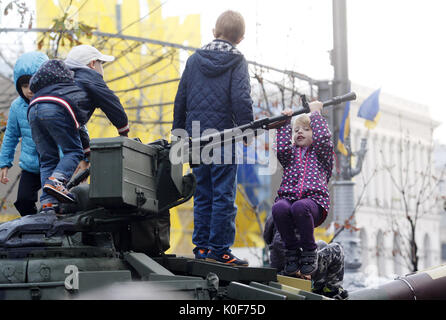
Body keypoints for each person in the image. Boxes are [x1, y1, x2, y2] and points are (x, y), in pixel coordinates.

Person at [172, 10, 253, 266]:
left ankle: (203, 248)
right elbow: (241, 98)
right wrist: (247, 129)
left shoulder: (194, 60)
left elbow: (181, 99)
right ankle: (220, 249)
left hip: (196, 138)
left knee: (203, 193)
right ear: (240, 38)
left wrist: (178, 135)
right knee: (223, 195)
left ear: (213, 31)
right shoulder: (237, 61)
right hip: (223, 138)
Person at [28, 45, 129, 214]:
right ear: (92, 64)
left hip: (34, 109)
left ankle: (47, 203)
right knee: (73, 152)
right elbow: (112, 103)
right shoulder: (90, 77)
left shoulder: (62, 80)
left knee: (47, 158)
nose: (101, 68)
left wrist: (87, 149)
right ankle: (57, 181)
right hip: (59, 109)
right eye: (101, 63)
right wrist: (123, 130)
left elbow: (77, 123)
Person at [272, 101, 334, 276]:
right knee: (279, 208)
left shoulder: (322, 154)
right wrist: (285, 122)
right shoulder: (290, 154)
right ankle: (291, 252)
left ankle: (309, 251)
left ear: (315, 131)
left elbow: (323, 139)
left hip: (314, 203)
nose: (300, 132)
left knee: (300, 207)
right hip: (289, 199)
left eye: (306, 129)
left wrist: (315, 114)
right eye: (297, 129)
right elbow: (282, 148)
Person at [0, 51, 49, 216]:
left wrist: (83, 157)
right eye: (25, 86)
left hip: (55, 164)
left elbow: (77, 127)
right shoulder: (17, 107)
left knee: (51, 204)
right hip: (31, 165)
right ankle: (34, 227)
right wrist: (5, 163)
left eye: (33, 84)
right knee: (23, 201)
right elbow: (11, 136)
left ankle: (54, 231)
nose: (29, 90)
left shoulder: (55, 101)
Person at [263, 214, 348, 299]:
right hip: (290, 272)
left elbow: (267, 238)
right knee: (336, 249)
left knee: (321, 244)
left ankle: (320, 286)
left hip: (279, 269)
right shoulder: (293, 211)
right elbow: (279, 243)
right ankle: (331, 290)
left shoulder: (275, 213)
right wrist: (299, 269)